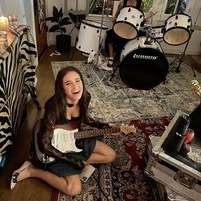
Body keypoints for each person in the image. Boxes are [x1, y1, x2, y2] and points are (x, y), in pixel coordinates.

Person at [10, 66, 116, 195]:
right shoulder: (53, 106)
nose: (75, 86)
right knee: (74, 189)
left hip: (74, 138)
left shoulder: (85, 97)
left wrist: (105, 127)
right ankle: (32, 171)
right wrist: (73, 161)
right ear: (62, 88)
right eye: (68, 83)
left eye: (77, 80)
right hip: (54, 147)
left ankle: (76, 159)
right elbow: (45, 144)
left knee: (110, 155)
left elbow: (85, 119)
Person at [105, 0, 143, 67]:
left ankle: (121, 56)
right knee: (110, 34)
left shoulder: (141, 3)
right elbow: (117, 15)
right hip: (122, 26)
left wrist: (144, 19)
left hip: (132, 29)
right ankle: (111, 57)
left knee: (127, 39)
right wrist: (115, 19)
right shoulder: (122, 3)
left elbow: (140, 17)